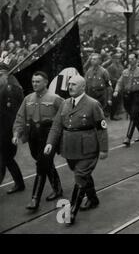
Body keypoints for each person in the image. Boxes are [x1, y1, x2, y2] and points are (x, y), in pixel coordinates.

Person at [44, 75, 108, 226]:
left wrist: (104, 149)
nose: (70, 87)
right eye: (69, 84)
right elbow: (57, 126)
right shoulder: (65, 103)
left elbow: (101, 128)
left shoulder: (93, 104)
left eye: (73, 84)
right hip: (69, 148)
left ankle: (71, 212)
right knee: (81, 174)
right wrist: (50, 143)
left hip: (88, 149)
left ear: (83, 87)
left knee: (80, 176)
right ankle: (92, 199)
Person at [13, 71, 64, 210]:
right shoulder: (28, 99)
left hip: (49, 136)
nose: (35, 84)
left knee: (41, 165)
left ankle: (35, 199)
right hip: (34, 136)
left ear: (46, 82)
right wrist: (17, 133)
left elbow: (65, 117)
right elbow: (20, 117)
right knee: (43, 162)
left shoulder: (55, 99)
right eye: (33, 81)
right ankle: (58, 189)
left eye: (38, 81)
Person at [114, 53, 139, 146]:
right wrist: (116, 90)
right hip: (127, 96)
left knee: (134, 114)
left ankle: (128, 138)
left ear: (136, 60)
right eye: (129, 59)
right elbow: (120, 82)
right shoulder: (125, 72)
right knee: (134, 116)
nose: (131, 60)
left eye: (133, 58)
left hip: (137, 95)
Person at [0, 63, 25, 194]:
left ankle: (19, 184)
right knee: (6, 158)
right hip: (2, 128)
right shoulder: (3, 86)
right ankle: (19, 183)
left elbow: (14, 113)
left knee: (6, 158)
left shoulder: (11, 88)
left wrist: (15, 132)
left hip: (7, 129)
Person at [106, 53, 124, 120]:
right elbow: (109, 76)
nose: (118, 60)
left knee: (119, 99)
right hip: (114, 84)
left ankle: (117, 113)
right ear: (113, 59)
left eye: (118, 58)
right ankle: (113, 115)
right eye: (116, 58)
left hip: (120, 84)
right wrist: (116, 80)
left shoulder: (120, 66)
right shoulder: (111, 67)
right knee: (114, 100)